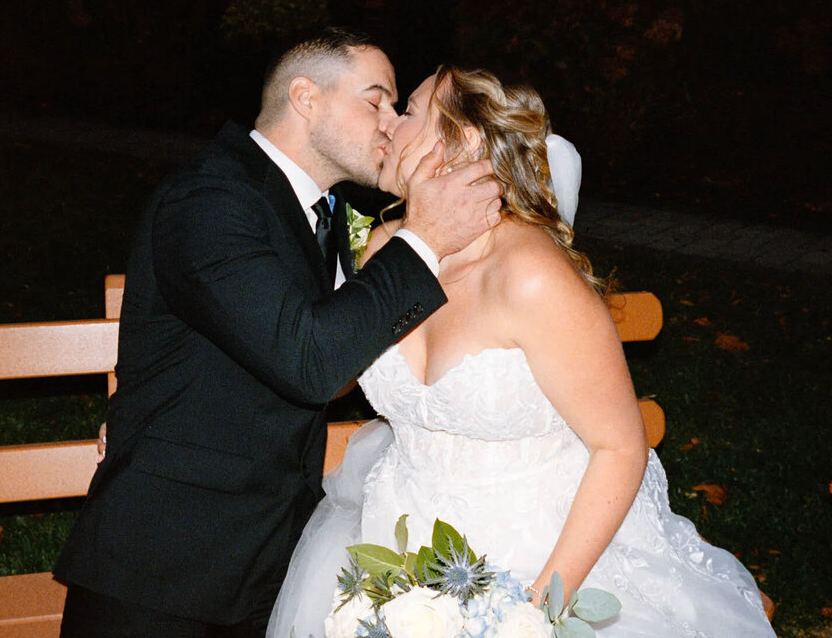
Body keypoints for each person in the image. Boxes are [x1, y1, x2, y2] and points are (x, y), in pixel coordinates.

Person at [266, 66, 776, 637]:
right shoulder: (387, 250)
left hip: (544, 555)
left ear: (460, 140)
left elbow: (620, 447)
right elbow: (332, 372)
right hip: (393, 538)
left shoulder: (530, 275)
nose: (389, 125)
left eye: (408, 110)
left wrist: (531, 612)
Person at [55, 30, 504, 638]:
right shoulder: (211, 198)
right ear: (305, 97)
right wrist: (421, 240)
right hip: (165, 568)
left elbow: (331, 361)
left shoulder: (318, 215)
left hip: (268, 563)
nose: (391, 124)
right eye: (375, 101)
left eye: (398, 108)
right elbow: (308, 359)